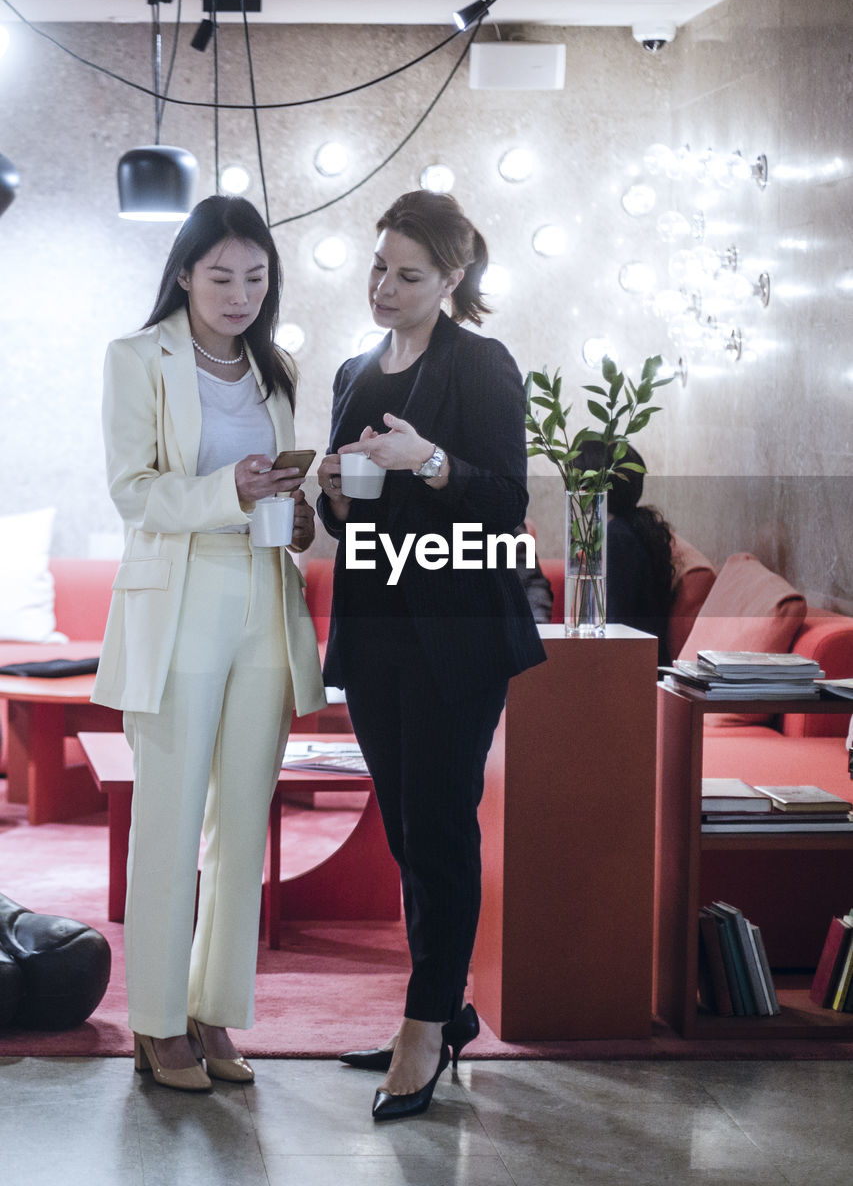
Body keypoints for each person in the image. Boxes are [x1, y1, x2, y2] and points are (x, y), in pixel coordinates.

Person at [316, 189, 545, 1121]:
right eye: (378, 267)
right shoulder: (351, 372)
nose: (385, 287)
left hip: (456, 638)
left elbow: (505, 503)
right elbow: (348, 522)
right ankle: (441, 1010)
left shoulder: (481, 364)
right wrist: (331, 492)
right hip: (375, 635)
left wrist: (431, 462)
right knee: (407, 833)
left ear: (451, 278)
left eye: (408, 275)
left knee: (442, 828)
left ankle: (423, 1030)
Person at [91, 195, 326, 1091]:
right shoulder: (135, 358)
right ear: (185, 273)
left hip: (264, 595)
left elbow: (271, 495)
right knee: (171, 816)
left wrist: (293, 513)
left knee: (242, 822)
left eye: (256, 277)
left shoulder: (277, 368)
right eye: (221, 275)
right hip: (179, 597)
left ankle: (212, 1012)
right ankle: (154, 1022)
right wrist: (229, 485)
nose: (239, 294)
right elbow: (134, 492)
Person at [577, 439, 675, 662]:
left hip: (630, 671)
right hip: (634, 664)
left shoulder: (618, 539)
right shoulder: (629, 529)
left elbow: (615, 628)